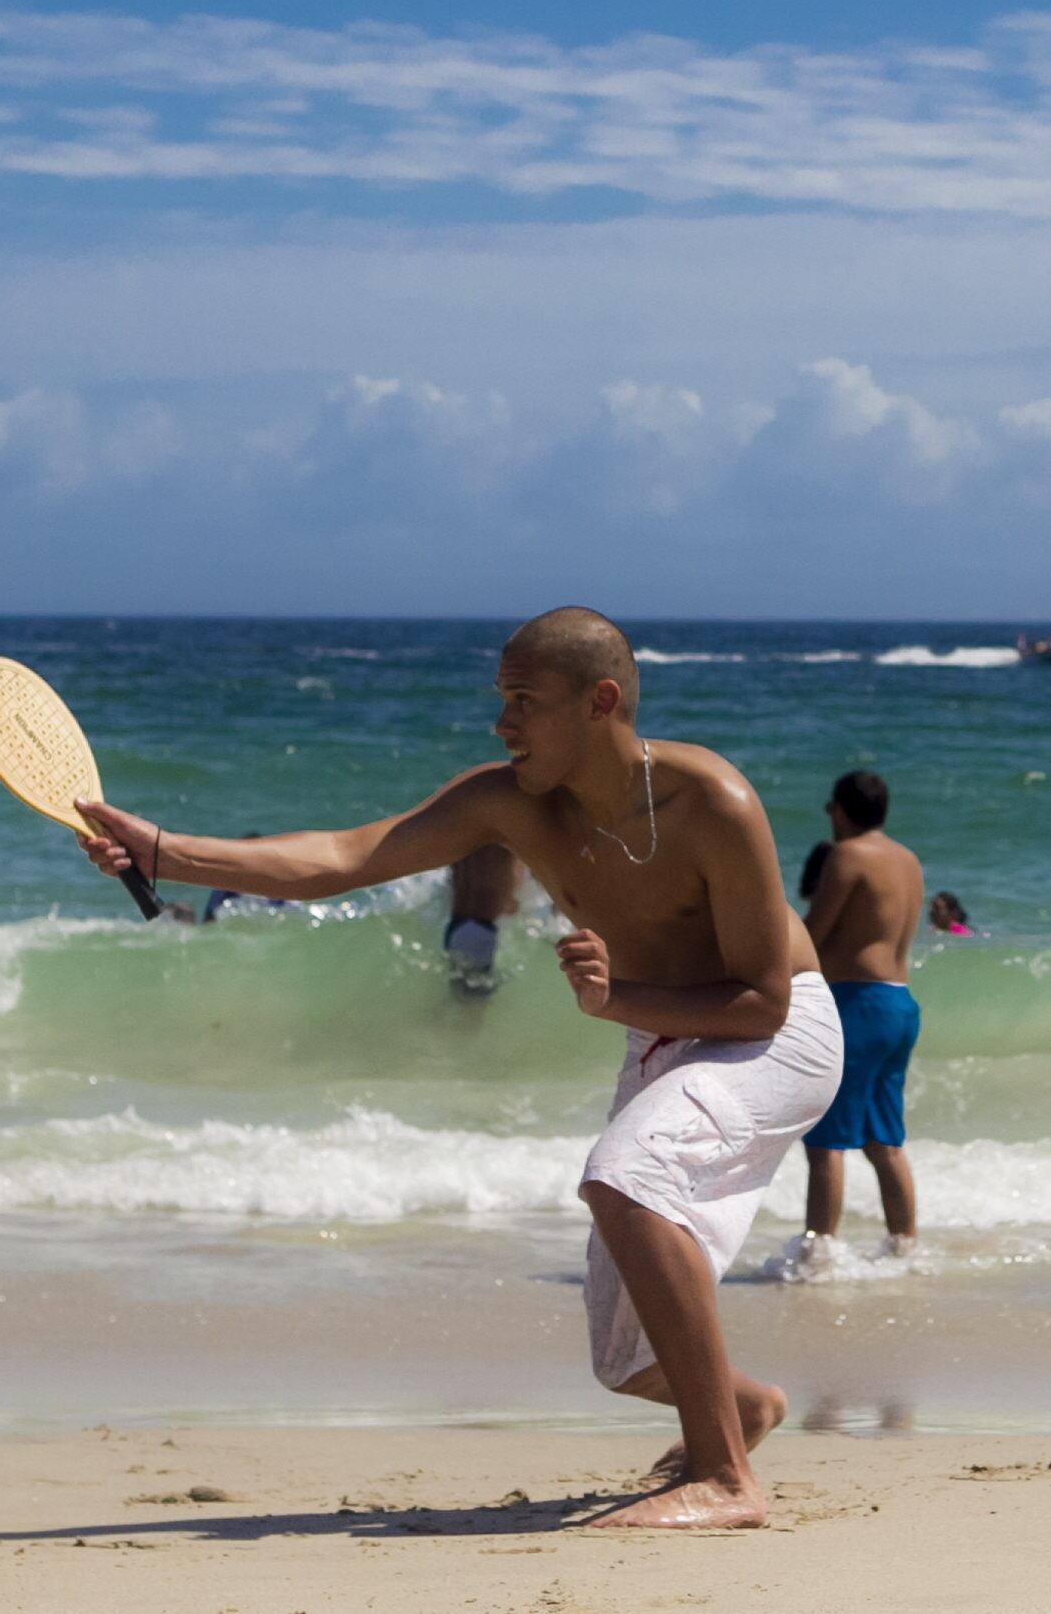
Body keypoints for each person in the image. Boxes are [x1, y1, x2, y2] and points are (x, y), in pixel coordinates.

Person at [68, 608, 835, 1531]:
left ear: (602, 701)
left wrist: (615, 1001)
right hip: (662, 1035)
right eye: (500, 700)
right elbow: (344, 857)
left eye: (523, 702)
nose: (501, 723)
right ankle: (742, 1410)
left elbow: (763, 1001)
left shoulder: (712, 801)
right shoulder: (506, 800)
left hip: (778, 1035)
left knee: (626, 1176)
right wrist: (164, 850)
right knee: (623, 1355)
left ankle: (725, 1481)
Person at [796, 769, 923, 1262]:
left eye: (831, 807)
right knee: (882, 1140)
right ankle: (904, 1247)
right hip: (898, 1004)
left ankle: (818, 1257)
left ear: (842, 810)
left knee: (826, 1142)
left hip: (856, 1004)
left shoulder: (848, 855)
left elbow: (815, 932)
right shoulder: (908, 860)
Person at [445, 841, 521, 993]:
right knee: (471, 1012)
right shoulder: (510, 829)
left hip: (456, 925)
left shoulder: (462, 824)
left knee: (459, 1002)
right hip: (481, 932)